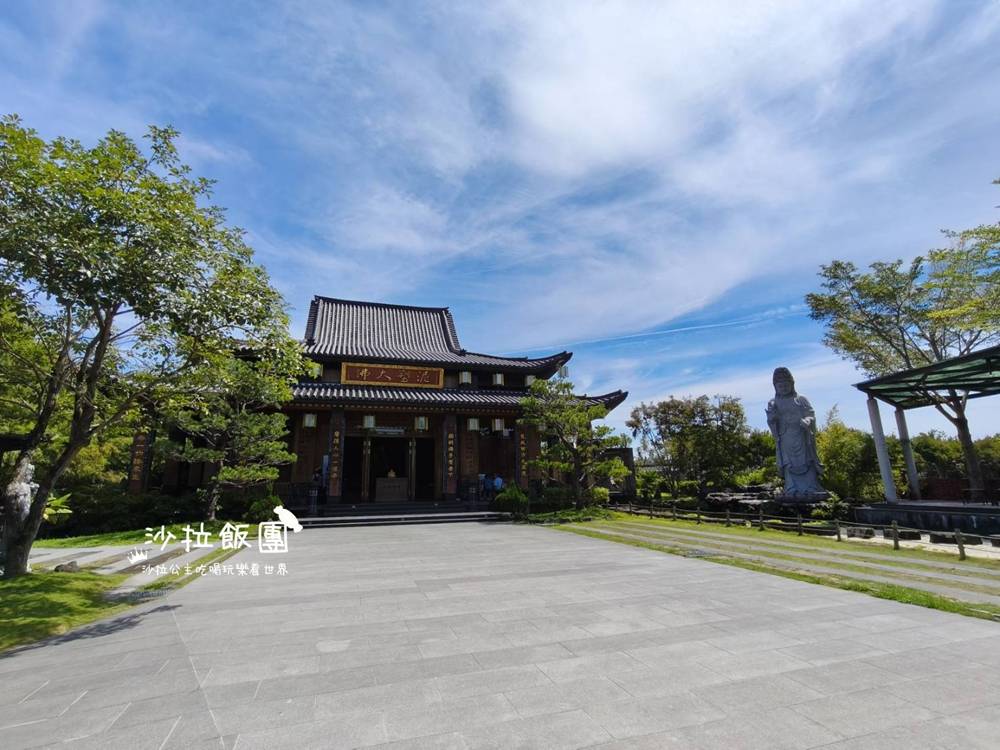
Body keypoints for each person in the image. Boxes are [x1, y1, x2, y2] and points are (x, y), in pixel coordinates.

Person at [766, 367, 826, 497]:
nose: (783, 388)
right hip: (785, 436)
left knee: (806, 460)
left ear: (792, 384)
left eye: (786, 385)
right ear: (775, 387)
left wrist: (808, 421)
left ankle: (812, 487)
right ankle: (791, 488)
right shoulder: (773, 402)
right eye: (780, 386)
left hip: (801, 435)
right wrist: (772, 418)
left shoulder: (801, 399)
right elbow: (771, 421)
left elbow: (810, 414)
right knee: (789, 462)